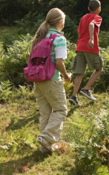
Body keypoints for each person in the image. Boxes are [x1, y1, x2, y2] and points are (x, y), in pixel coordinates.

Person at [32, 8, 72, 153]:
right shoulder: (59, 39)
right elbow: (59, 63)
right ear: (60, 22)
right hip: (52, 79)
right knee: (61, 110)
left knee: (46, 112)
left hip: (38, 80)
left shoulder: (39, 37)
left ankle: (45, 147)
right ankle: (46, 137)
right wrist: (66, 76)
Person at [69, 0, 103, 106]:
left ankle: (74, 96)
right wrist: (92, 39)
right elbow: (91, 25)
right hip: (90, 47)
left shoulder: (83, 18)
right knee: (99, 69)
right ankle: (86, 89)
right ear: (98, 9)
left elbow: (79, 31)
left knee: (80, 73)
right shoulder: (97, 17)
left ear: (88, 8)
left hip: (80, 47)